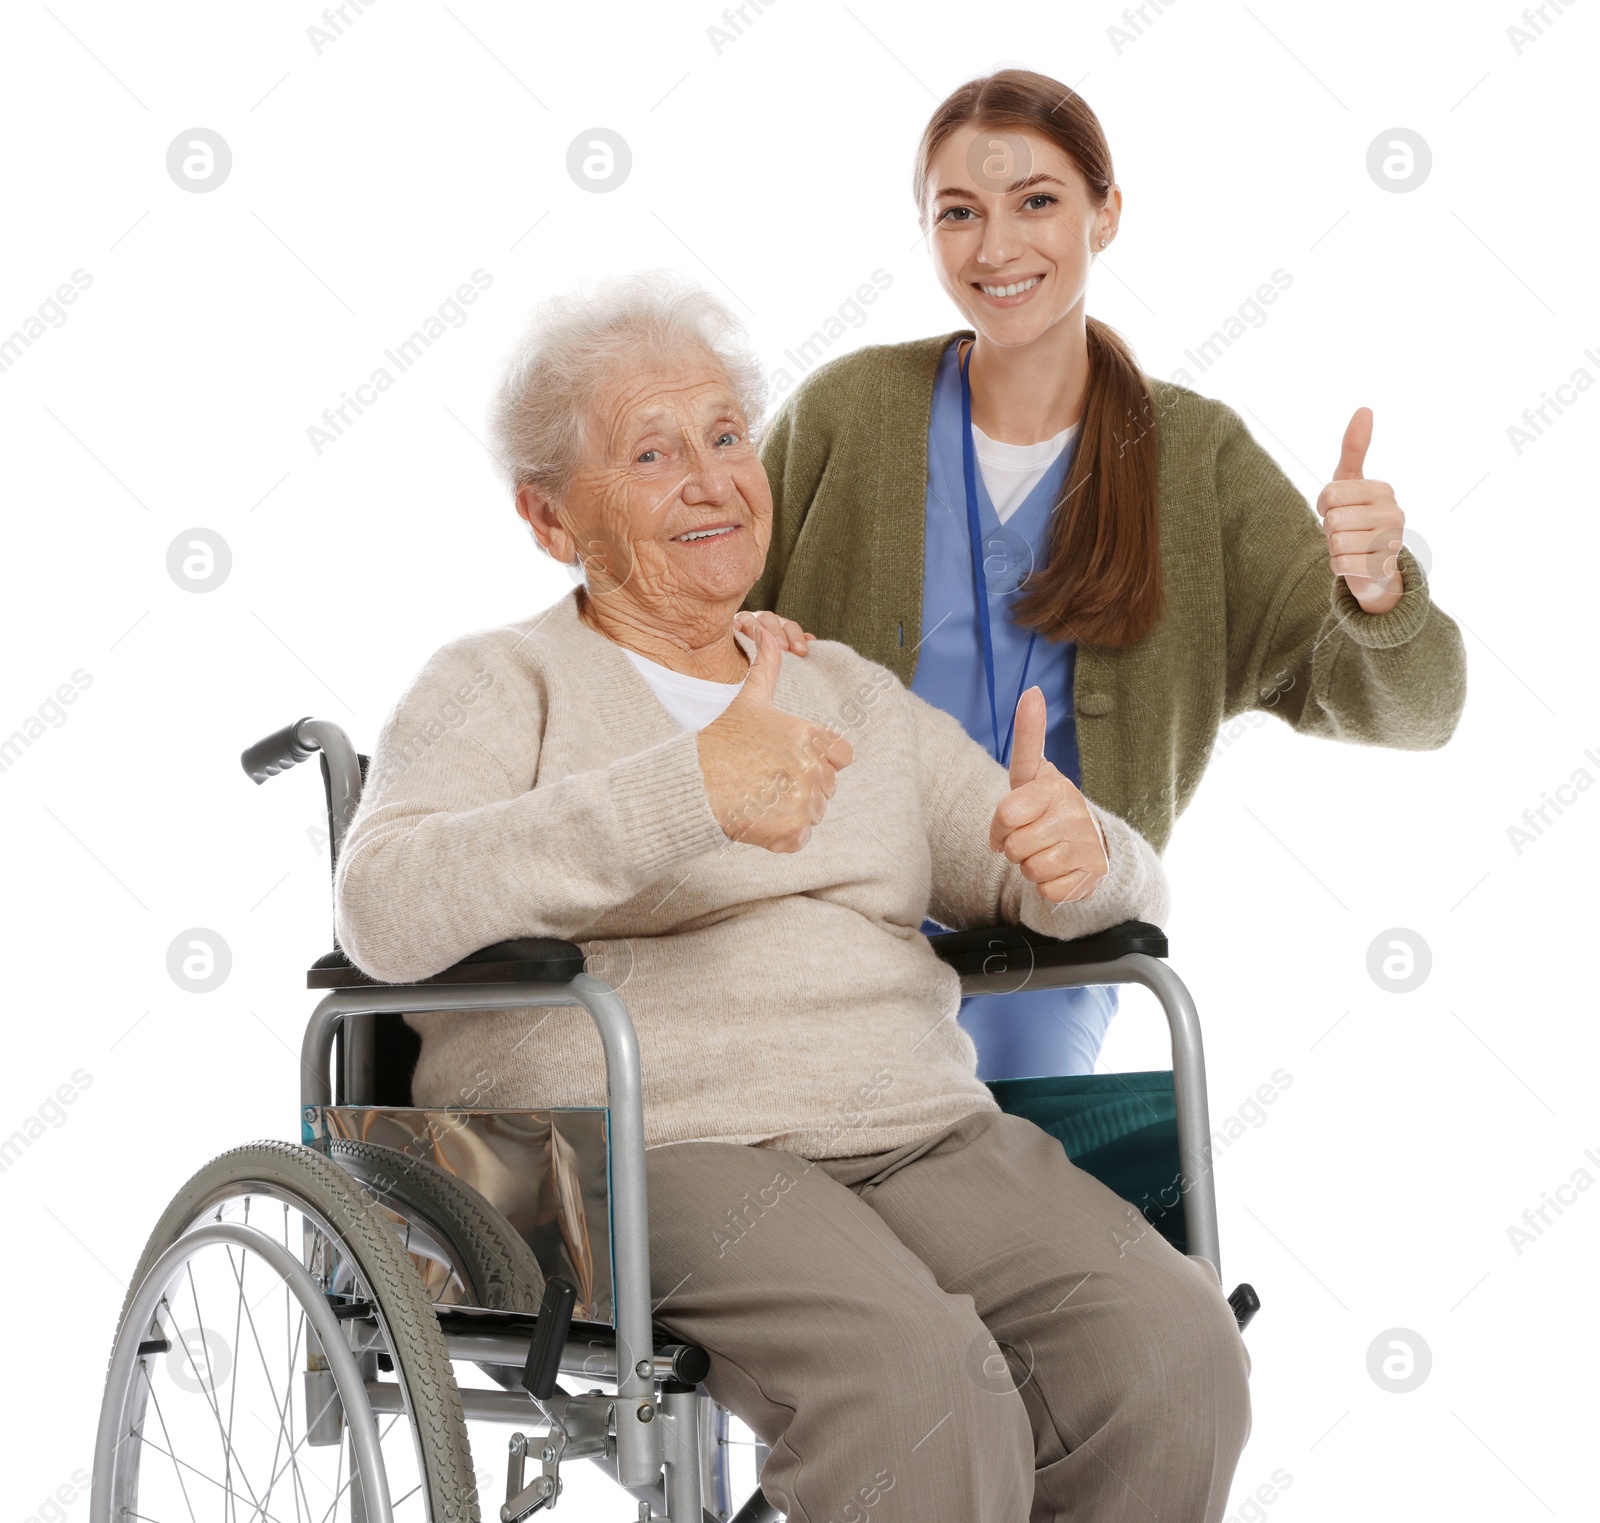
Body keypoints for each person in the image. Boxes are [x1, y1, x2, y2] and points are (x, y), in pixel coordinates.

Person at [334, 272, 1250, 1523]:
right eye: (652, 452)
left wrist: (1085, 853)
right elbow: (381, 905)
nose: (712, 477)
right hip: (641, 1144)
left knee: (1173, 1355)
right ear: (551, 520)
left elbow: (1046, 861)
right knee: (919, 1387)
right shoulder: (500, 685)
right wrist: (684, 792)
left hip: (912, 1122)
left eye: (724, 436)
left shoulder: (845, 690)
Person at [750, 68, 1467, 1081]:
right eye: (960, 213)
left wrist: (1378, 592)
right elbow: (699, 646)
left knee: (1010, 1156)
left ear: (1106, 211)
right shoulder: (848, 411)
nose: (996, 248)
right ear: (926, 229)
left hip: (1053, 943)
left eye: (1036, 201)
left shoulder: (1193, 456)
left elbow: (1415, 710)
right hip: (827, 927)